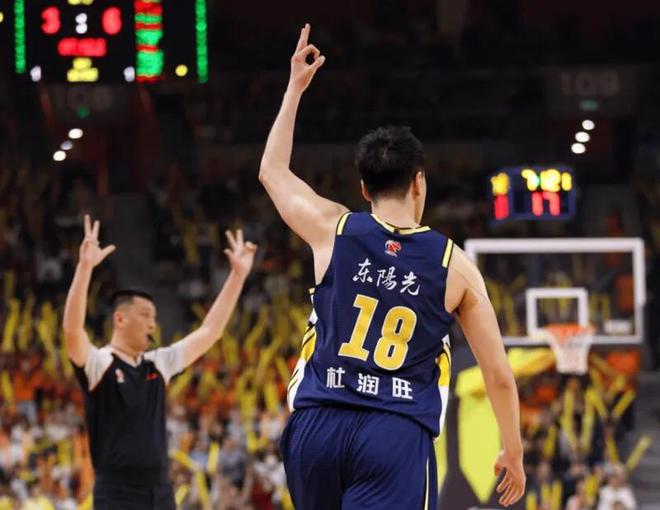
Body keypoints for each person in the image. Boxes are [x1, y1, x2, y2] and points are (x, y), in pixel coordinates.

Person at [259, 24, 525, 509]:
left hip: (316, 426)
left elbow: (272, 172)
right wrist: (513, 449)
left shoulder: (332, 227)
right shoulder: (454, 265)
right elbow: (498, 374)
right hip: (393, 432)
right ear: (419, 182)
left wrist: (294, 89)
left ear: (364, 188)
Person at [63, 215, 256, 510]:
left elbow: (210, 332)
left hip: (160, 490)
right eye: (145, 315)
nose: (153, 324)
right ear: (120, 319)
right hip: (117, 493)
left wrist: (237, 277)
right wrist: (85, 267)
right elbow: (72, 331)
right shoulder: (100, 363)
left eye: (154, 317)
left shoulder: (157, 364)